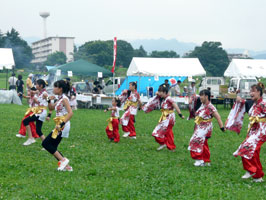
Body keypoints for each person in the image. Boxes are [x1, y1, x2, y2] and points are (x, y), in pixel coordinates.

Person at [227, 83, 266, 182]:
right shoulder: (252, 104)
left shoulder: (263, 104)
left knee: (247, 148)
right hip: (253, 131)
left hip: (261, 131)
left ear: (259, 92)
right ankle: (258, 176)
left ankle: (251, 169)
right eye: (250, 91)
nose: (251, 93)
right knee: (253, 152)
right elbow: (243, 103)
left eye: (253, 91)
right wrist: (239, 100)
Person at [42, 80, 73, 171]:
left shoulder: (64, 99)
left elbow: (70, 113)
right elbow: (51, 107)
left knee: (46, 143)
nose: (54, 88)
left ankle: (63, 160)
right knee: (53, 147)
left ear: (60, 89)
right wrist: (48, 99)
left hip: (62, 125)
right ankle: (67, 167)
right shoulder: (59, 98)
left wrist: (61, 124)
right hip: (59, 125)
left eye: (55, 87)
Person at [188, 89, 224, 166]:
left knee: (195, 140)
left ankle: (199, 159)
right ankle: (206, 160)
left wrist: (222, 127)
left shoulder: (211, 107)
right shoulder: (202, 105)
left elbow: (218, 117)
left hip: (205, 127)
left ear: (206, 96)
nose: (200, 97)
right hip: (199, 127)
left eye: (202, 95)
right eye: (200, 95)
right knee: (203, 143)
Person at [143, 85, 185, 151]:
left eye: (160, 92)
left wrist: (180, 114)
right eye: (159, 91)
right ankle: (167, 145)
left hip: (169, 117)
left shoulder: (169, 98)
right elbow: (156, 96)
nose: (159, 93)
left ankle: (167, 145)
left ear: (165, 92)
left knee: (165, 132)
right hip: (164, 117)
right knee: (163, 133)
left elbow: (175, 105)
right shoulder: (163, 98)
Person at [22, 79, 48, 146]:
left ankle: (31, 138)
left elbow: (48, 100)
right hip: (38, 112)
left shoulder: (44, 93)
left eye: (37, 84)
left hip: (41, 113)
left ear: (41, 85)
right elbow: (35, 95)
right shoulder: (39, 92)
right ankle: (47, 145)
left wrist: (48, 98)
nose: (35, 85)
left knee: (25, 121)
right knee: (38, 130)